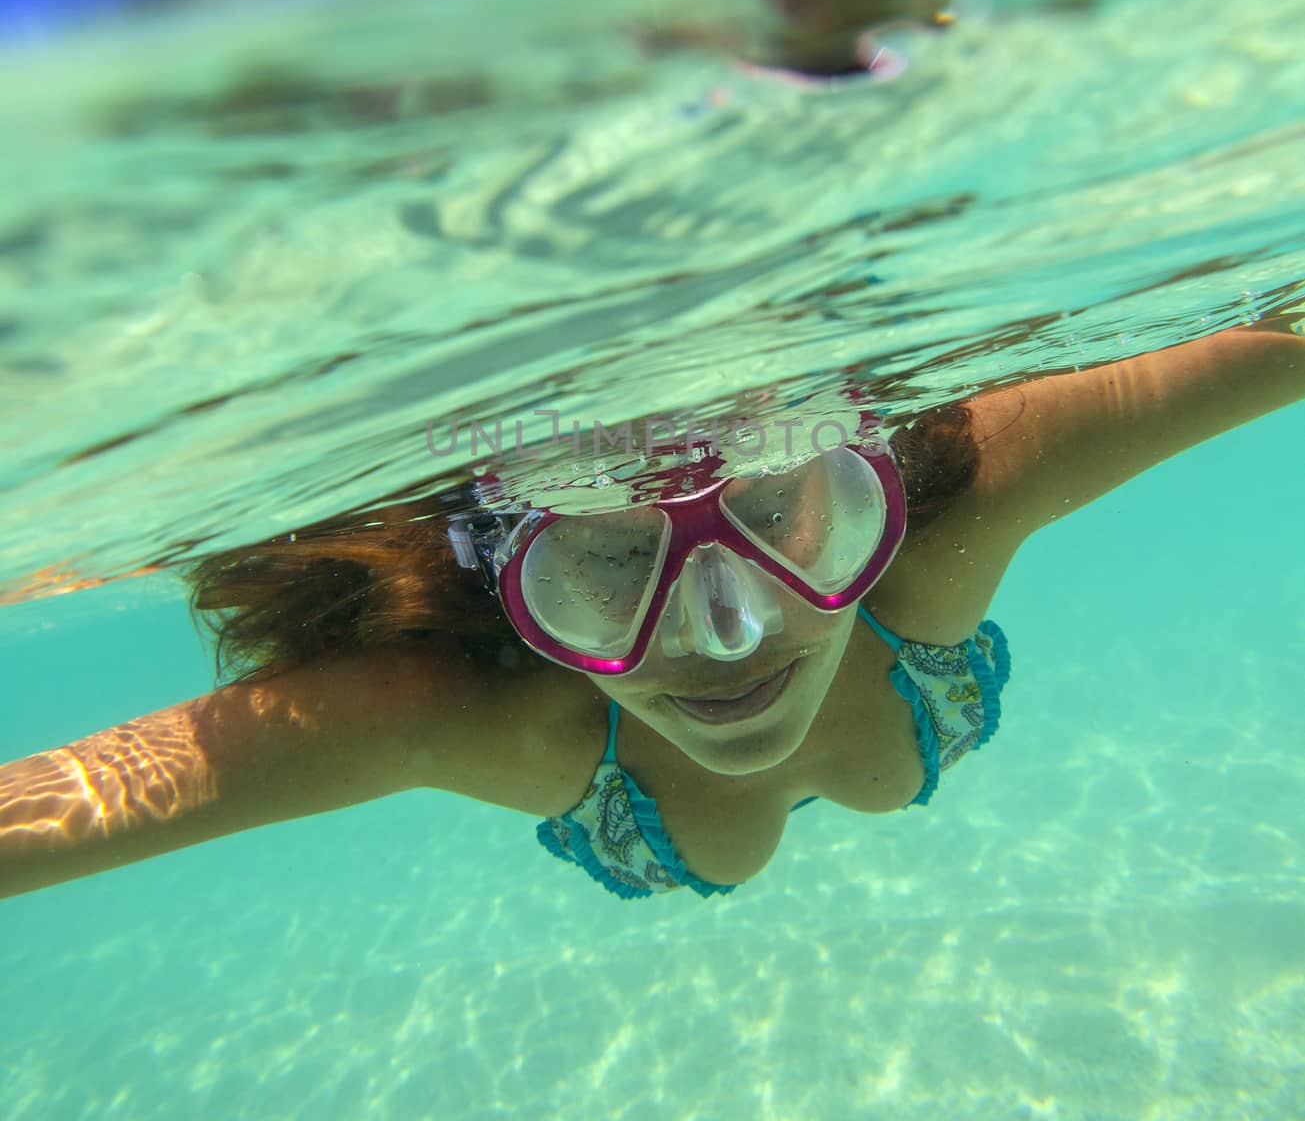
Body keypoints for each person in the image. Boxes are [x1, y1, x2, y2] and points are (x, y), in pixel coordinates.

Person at [1, 315, 1302, 903]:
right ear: (507, 585)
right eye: (607, 565)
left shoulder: (949, 508)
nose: (728, 637)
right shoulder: (467, 718)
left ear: (875, 491)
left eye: (787, 518)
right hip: (652, 778)